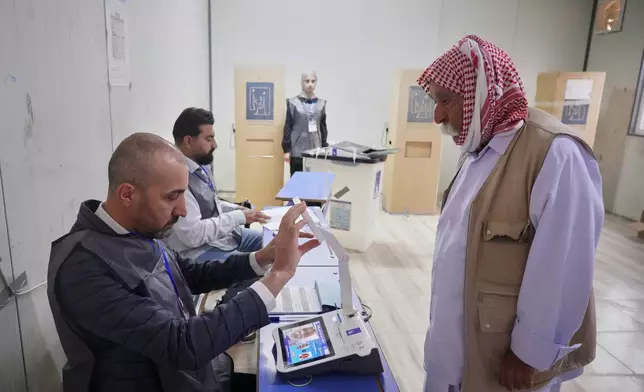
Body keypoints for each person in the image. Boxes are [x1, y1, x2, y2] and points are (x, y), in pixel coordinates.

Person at [47, 133, 320, 392]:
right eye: (171, 197)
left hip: (185, 375)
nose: (183, 210)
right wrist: (280, 273)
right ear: (127, 195)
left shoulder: (137, 230)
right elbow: (181, 346)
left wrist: (264, 257)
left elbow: (189, 273)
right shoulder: (82, 268)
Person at [418, 35, 604, 392]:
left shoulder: (554, 152)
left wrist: (529, 352)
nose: (437, 114)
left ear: (484, 94)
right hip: (456, 346)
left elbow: (564, 264)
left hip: (508, 363)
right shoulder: (478, 149)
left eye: (446, 101)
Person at [166, 107, 270, 262]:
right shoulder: (176, 177)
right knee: (255, 265)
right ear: (188, 141)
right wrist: (238, 217)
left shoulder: (198, 165)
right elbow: (193, 235)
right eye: (209, 139)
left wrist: (236, 208)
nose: (215, 145)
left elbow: (206, 203)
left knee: (273, 243)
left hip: (219, 239)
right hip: (196, 252)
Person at [282, 71, 329, 176]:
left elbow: (323, 127)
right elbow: (288, 126)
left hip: (316, 148)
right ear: (302, 82)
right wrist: (286, 150)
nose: (310, 84)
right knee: (297, 181)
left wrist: (325, 147)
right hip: (297, 149)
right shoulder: (293, 103)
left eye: (313, 81)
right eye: (307, 81)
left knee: (313, 181)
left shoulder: (321, 104)